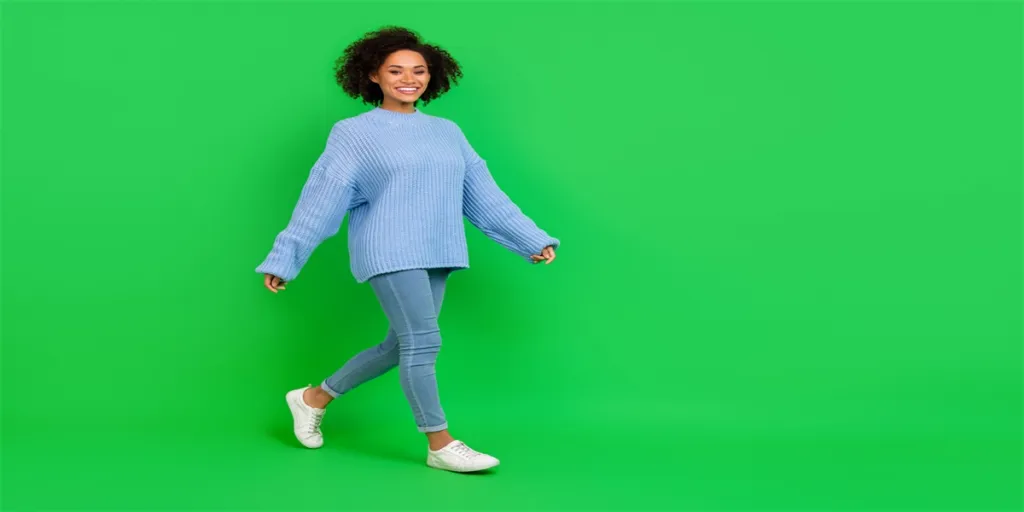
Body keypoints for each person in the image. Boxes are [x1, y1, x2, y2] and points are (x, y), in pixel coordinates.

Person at [254, 26, 559, 473]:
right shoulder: (353, 133)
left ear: (431, 77)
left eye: (418, 71)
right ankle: (440, 443)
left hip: (439, 250)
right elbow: (320, 200)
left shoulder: (447, 132)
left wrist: (529, 238)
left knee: (399, 345)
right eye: (395, 71)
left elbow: (483, 195)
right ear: (373, 75)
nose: (408, 79)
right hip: (389, 249)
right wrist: (286, 258)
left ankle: (312, 398)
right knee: (424, 341)